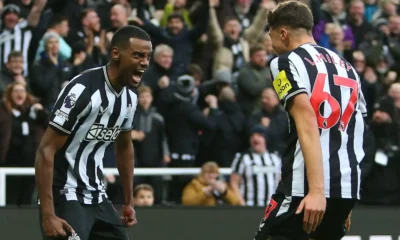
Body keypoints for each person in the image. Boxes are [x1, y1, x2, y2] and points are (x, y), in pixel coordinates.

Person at [254, 1, 367, 240]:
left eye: (271, 35)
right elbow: (358, 130)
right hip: (345, 188)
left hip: (305, 187)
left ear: (283, 33)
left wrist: (318, 191)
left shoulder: (284, 62)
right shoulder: (348, 68)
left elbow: (307, 121)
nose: (271, 43)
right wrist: (342, 196)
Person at [34, 25, 152, 240]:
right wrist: (48, 213)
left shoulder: (130, 99)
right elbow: (45, 150)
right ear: (116, 53)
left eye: (147, 57)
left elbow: (125, 147)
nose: (144, 62)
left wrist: (128, 201)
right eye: (137, 55)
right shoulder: (81, 90)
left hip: (97, 195)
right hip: (65, 194)